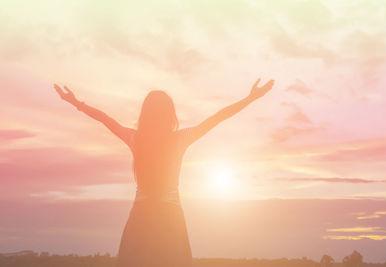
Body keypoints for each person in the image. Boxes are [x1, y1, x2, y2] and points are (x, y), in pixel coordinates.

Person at [53, 78, 274, 267]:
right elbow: (218, 117)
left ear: (145, 114)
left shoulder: (135, 138)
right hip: (171, 219)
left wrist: (75, 103)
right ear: (170, 114)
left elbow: (106, 119)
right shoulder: (180, 139)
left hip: (141, 217)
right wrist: (250, 98)